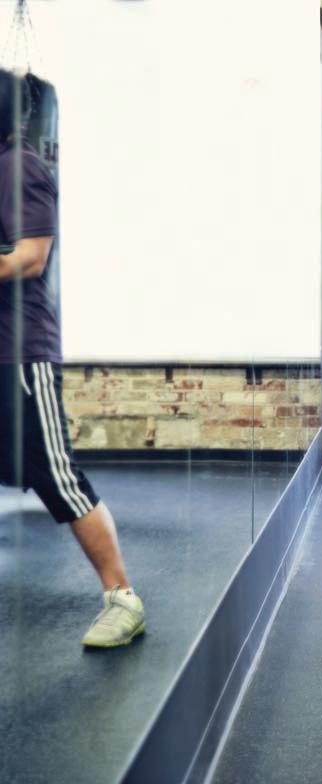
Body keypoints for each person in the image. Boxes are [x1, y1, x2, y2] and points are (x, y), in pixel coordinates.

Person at [0, 68, 145, 648]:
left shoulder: (20, 166)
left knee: (57, 477)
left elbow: (31, 256)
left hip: (18, 356)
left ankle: (122, 597)